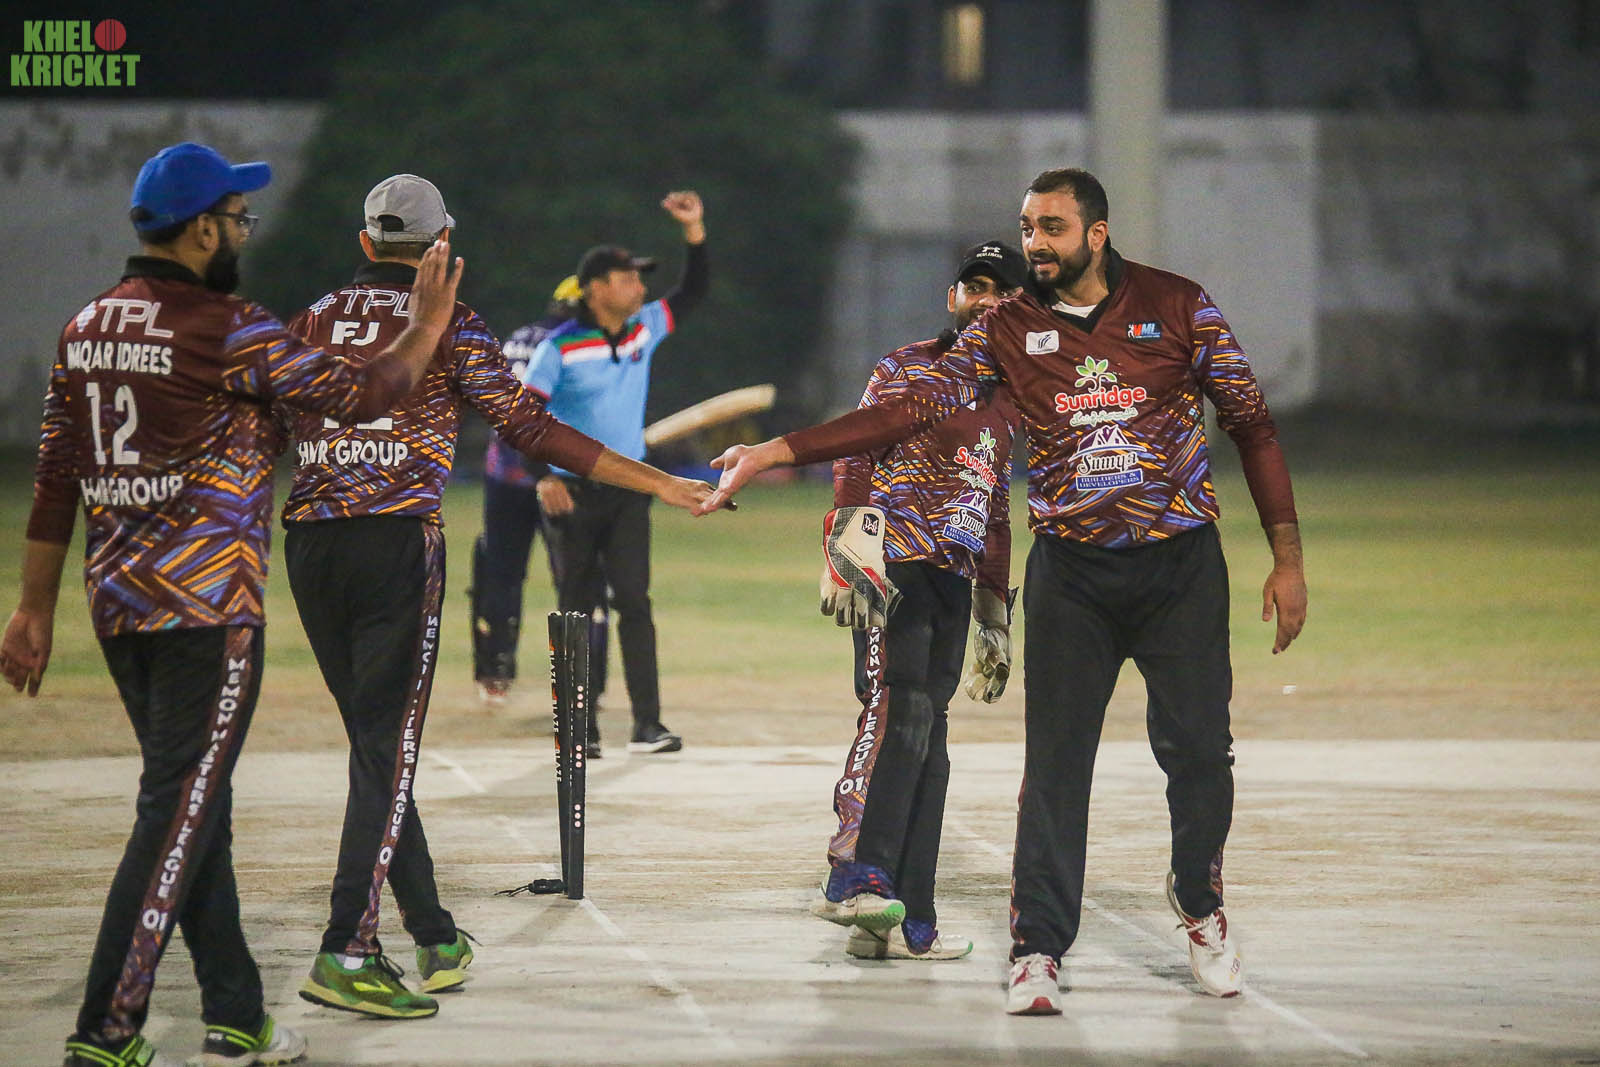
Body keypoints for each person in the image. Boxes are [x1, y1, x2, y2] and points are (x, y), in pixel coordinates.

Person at [698, 168, 1308, 1015]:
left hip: (1180, 569)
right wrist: (775, 451)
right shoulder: (1006, 328)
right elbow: (904, 412)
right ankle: (1038, 949)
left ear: (1097, 233)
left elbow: (1253, 425)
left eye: (1051, 227)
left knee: (1201, 753)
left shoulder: (1178, 305)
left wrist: (1287, 555)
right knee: (1054, 767)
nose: (1035, 243)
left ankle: (1200, 904)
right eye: (1027, 227)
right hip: (1072, 575)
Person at [0, 141, 466, 1067]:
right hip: (207, 609)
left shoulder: (86, 326)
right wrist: (425, 324)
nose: (245, 232)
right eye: (237, 218)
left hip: (116, 603)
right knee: (173, 815)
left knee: (193, 809)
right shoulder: (227, 327)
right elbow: (364, 393)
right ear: (202, 230)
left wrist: (32, 607)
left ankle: (238, 1010)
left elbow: (56, 473)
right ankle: (107, 1028)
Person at [279, 175, 717, 1021]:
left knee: (377, 745)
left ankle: (434, 932)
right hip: (395, 544)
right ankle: (346, 948)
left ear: (366, 243)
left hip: (309, 543)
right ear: (442, 244)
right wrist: (658, 481)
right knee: (385, 750)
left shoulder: (311, 317)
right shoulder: (450, 321)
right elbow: (533, 429)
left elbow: (267, 421)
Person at [815, 241, 1026, 963]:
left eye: (1001, 292)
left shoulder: (1011, 399)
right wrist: (848, 552)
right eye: (975, 287)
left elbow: (995, 507)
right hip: (892, 560)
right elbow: (854, 452)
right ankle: (854, 871)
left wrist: (993, 614)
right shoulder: (907, 368)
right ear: (952, 297)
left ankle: (909, 919)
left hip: (951, 576)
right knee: (894, 707)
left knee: (929, 737)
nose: (985, 300)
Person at [523, 191, 709, 754]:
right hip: (571, 493)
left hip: (630, 491)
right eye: (628, 280)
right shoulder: (558, 347)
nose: (640, 289)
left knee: (634, 601)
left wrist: (694, 231)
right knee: (576, 610)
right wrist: (544, 477)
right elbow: (522, 420)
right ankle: (579, 730)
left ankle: (647, 725)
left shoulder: (642, 329)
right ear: (595, 288)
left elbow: (693, 291)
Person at [469, 275, 612, 727]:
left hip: (504, 476)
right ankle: (589, 682)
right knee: (579, 578)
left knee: (500, 574)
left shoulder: (517, 338)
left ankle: (494, 674)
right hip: (558, 478)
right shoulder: (580, 345)